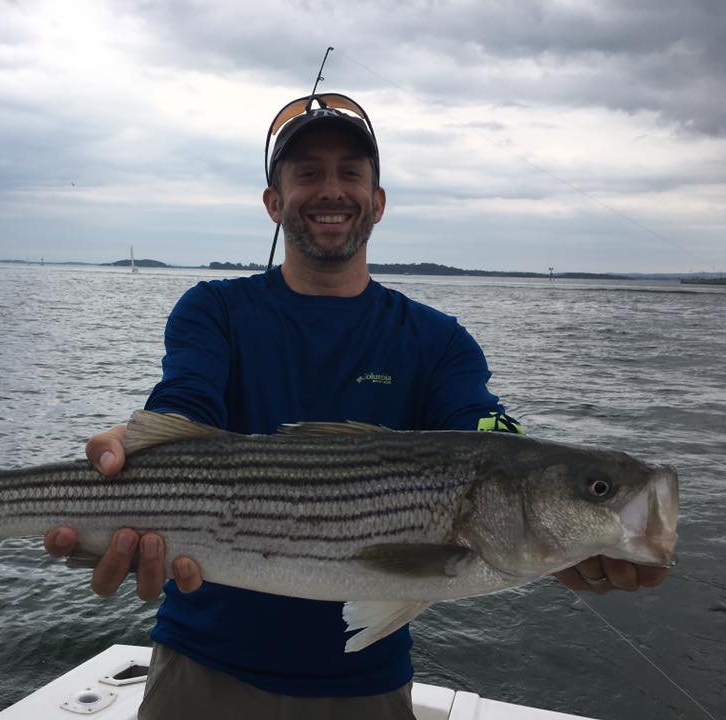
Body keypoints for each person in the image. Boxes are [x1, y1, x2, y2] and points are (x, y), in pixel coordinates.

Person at [44, 93, 670, 719]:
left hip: (365, 685)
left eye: (351, 173)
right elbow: (185, 401)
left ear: (377, 202)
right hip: (200, 668)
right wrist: (134, 443)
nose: (331, 190)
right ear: (273, 202)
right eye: (307, 173)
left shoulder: (437, 340)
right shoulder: (215, 309)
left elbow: (486, 431)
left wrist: (568, 533)